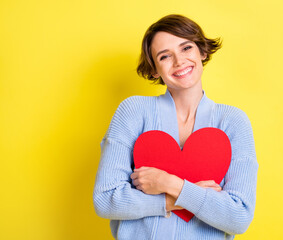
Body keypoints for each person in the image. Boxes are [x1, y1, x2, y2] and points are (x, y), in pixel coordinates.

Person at [93, 14, 258, 240]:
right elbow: (106, 200)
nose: (179, 61)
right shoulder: (133, 111)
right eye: (164, 56)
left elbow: (238, 216)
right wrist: (178, 199)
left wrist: (167, 183)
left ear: (202, 51)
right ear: (154, 70)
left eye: (186, 48)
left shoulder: (233, 121)